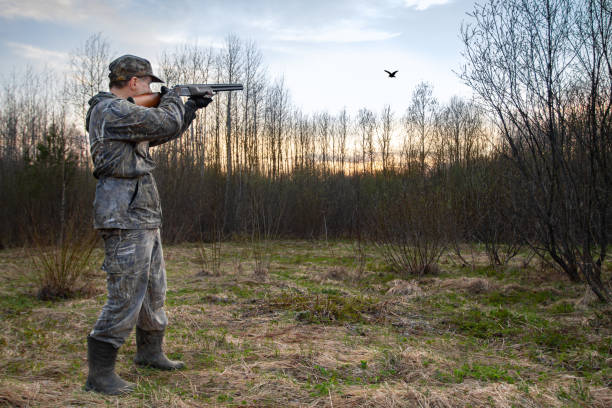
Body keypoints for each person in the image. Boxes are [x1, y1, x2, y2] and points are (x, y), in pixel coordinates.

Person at [84, 54, 212, 395]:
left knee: (154, 290)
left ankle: (150, 353)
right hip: (123, 215)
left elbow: (160, 132)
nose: (151, 88)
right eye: (148, 83)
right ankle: (100, 374)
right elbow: (160, 122)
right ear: (134, 83)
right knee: (125, 294)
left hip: (142, 213)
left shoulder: (127, 116)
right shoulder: (110, 110)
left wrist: (189, 110)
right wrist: (173, 98)